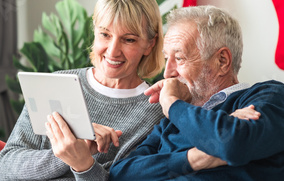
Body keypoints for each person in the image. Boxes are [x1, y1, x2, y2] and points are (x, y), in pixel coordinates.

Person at [107, 5, 284, 180]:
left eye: (179, 58)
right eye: (167, 59)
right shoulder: (171, 123)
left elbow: (232, 145)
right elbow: (121, 173)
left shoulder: (269, 96)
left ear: (222, 61)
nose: (167, 73)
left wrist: (170, 103)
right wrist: (198, 157)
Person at [0, 0, 166, 180]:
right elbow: (6, 169)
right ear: (94, 31)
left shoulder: (156, 112)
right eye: (105, 34)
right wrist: (67, 154)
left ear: (149, 44)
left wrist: (84, 164)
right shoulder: (54, 83)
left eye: (129, 40)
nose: (113, 51)